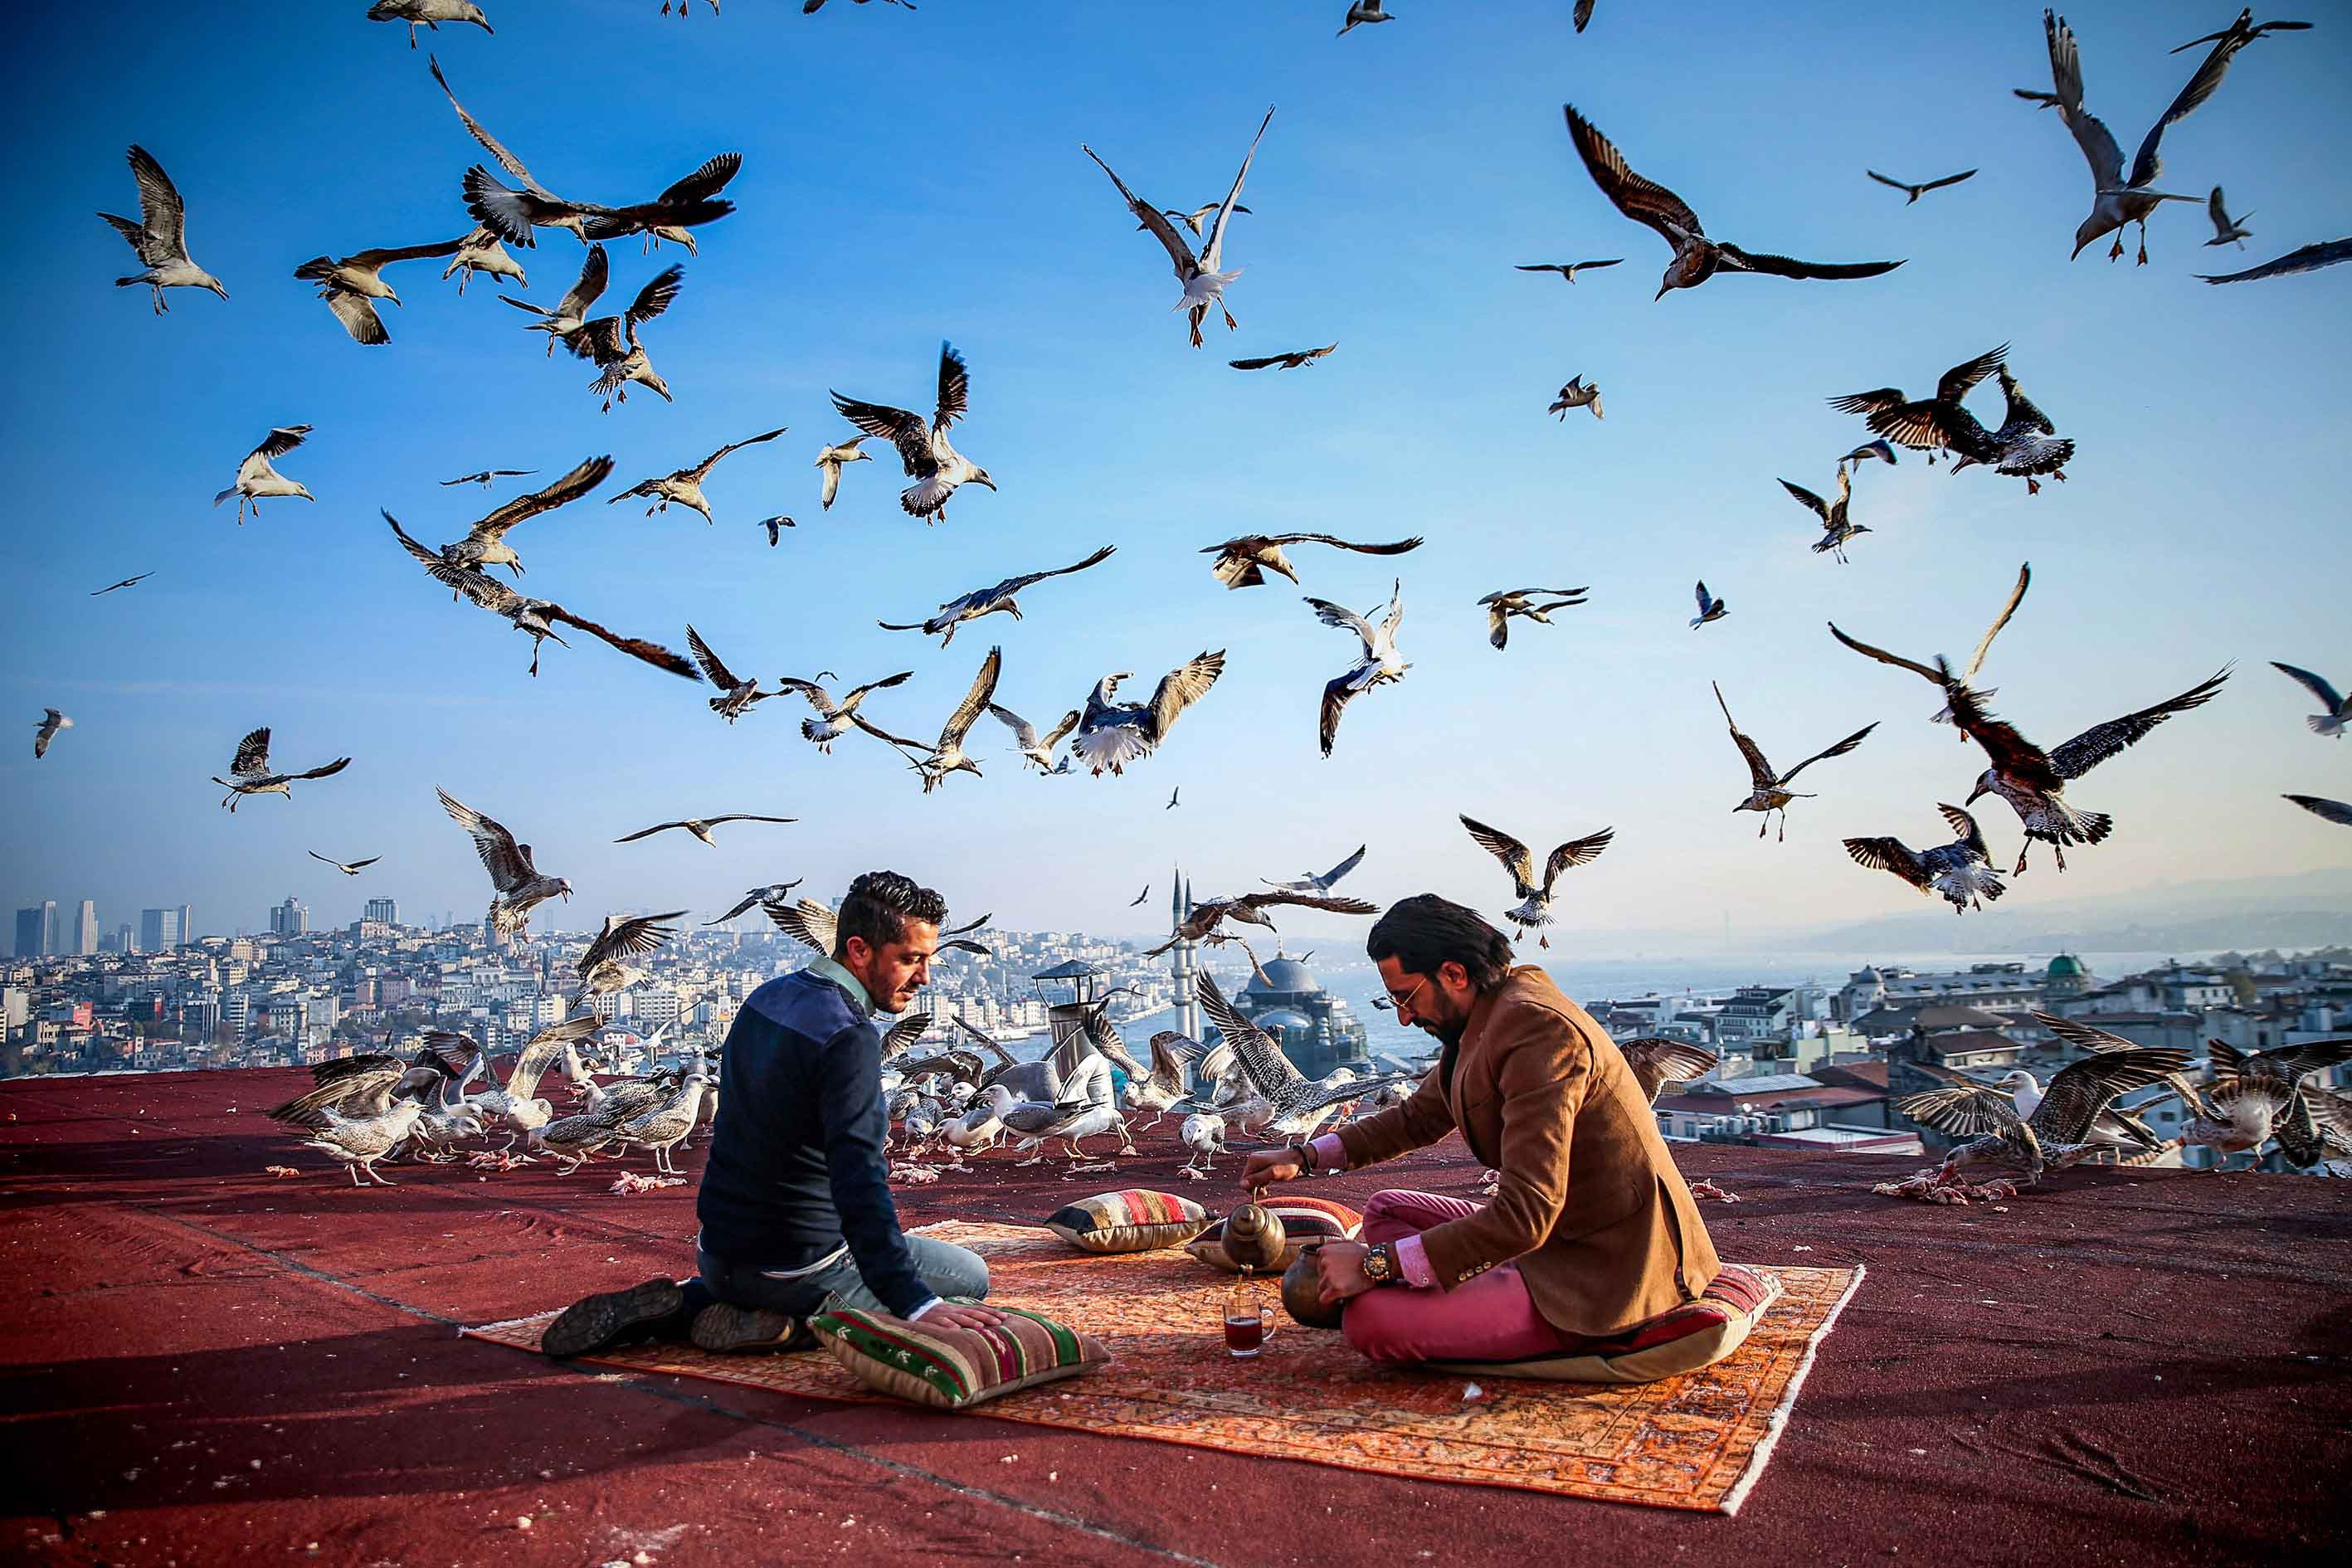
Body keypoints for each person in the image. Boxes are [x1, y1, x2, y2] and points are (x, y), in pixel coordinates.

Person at [1239, 894, 1721, 1366]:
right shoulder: (1485, 1014)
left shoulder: (1538, 1033)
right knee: (1386, 1209)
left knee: (1371, 1323)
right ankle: (1480, 1278)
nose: (1404, 1017)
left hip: (1605, 1266)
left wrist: (1373, 1266)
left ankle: (1529, 1309)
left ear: (1454, 973)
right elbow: (1419, 1117)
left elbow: (1525, 1217)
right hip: (1550, 1233)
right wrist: (1302, 1158)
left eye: (1407, 997)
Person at [543, 870, 1003, 1358]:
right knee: (969, 1279)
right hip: (797, 1266)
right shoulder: (849, 1036)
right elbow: (859, 1177)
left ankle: (692, 1302)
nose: (924, 977)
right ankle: (800, 1324)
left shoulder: (766, 998)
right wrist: (913, 1303)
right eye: (911, 959)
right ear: (860, 950)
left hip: (718, 1253)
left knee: (801, 1258)